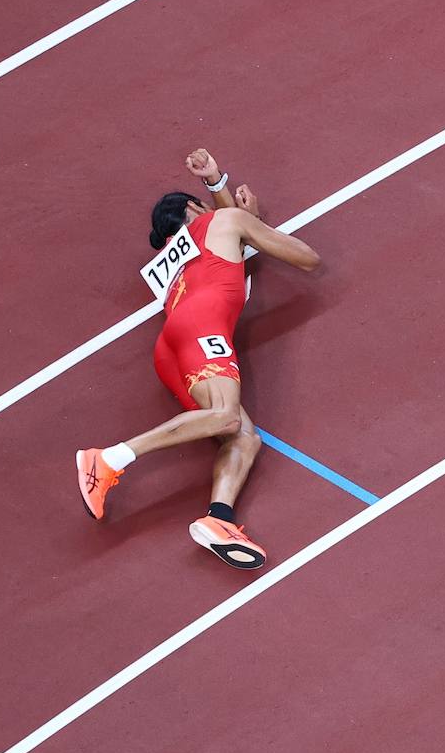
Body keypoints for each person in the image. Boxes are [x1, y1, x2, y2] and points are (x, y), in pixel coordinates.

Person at [75, 148, 321, 570]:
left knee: (243, 435)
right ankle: (110, 458)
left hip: (170, 349)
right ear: (193, 208)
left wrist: (219, 188)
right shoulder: (224, 223)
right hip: (203, 327)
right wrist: (255, 220)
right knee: (227, 418)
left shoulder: (180, 258)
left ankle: (219, 518)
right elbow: (307, 258)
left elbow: (230, 241)